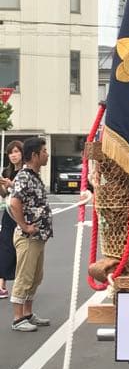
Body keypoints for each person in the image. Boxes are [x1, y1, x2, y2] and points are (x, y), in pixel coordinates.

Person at [8, 136, 53, 332]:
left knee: (35, 276)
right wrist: (25, 226)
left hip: (38, 236)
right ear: (34, 155)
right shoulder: (25, 176)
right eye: (43, 152)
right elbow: (14, 202)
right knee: (24, 276)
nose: (47, 155)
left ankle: (27, 313)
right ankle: (18, 318)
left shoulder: (34, 175)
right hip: (28, 237)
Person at [0, 139, 24, 298]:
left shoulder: (27, 172)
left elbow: (22, 193)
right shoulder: (7, 172)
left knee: (21, 251)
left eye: (16, 151)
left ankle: (22, 286)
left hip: (23, 215)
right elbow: (5, 195)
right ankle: (1, 284)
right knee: (5, 248)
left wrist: (10, 185)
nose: (13, 155)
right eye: (10, 153)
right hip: (9, 215)